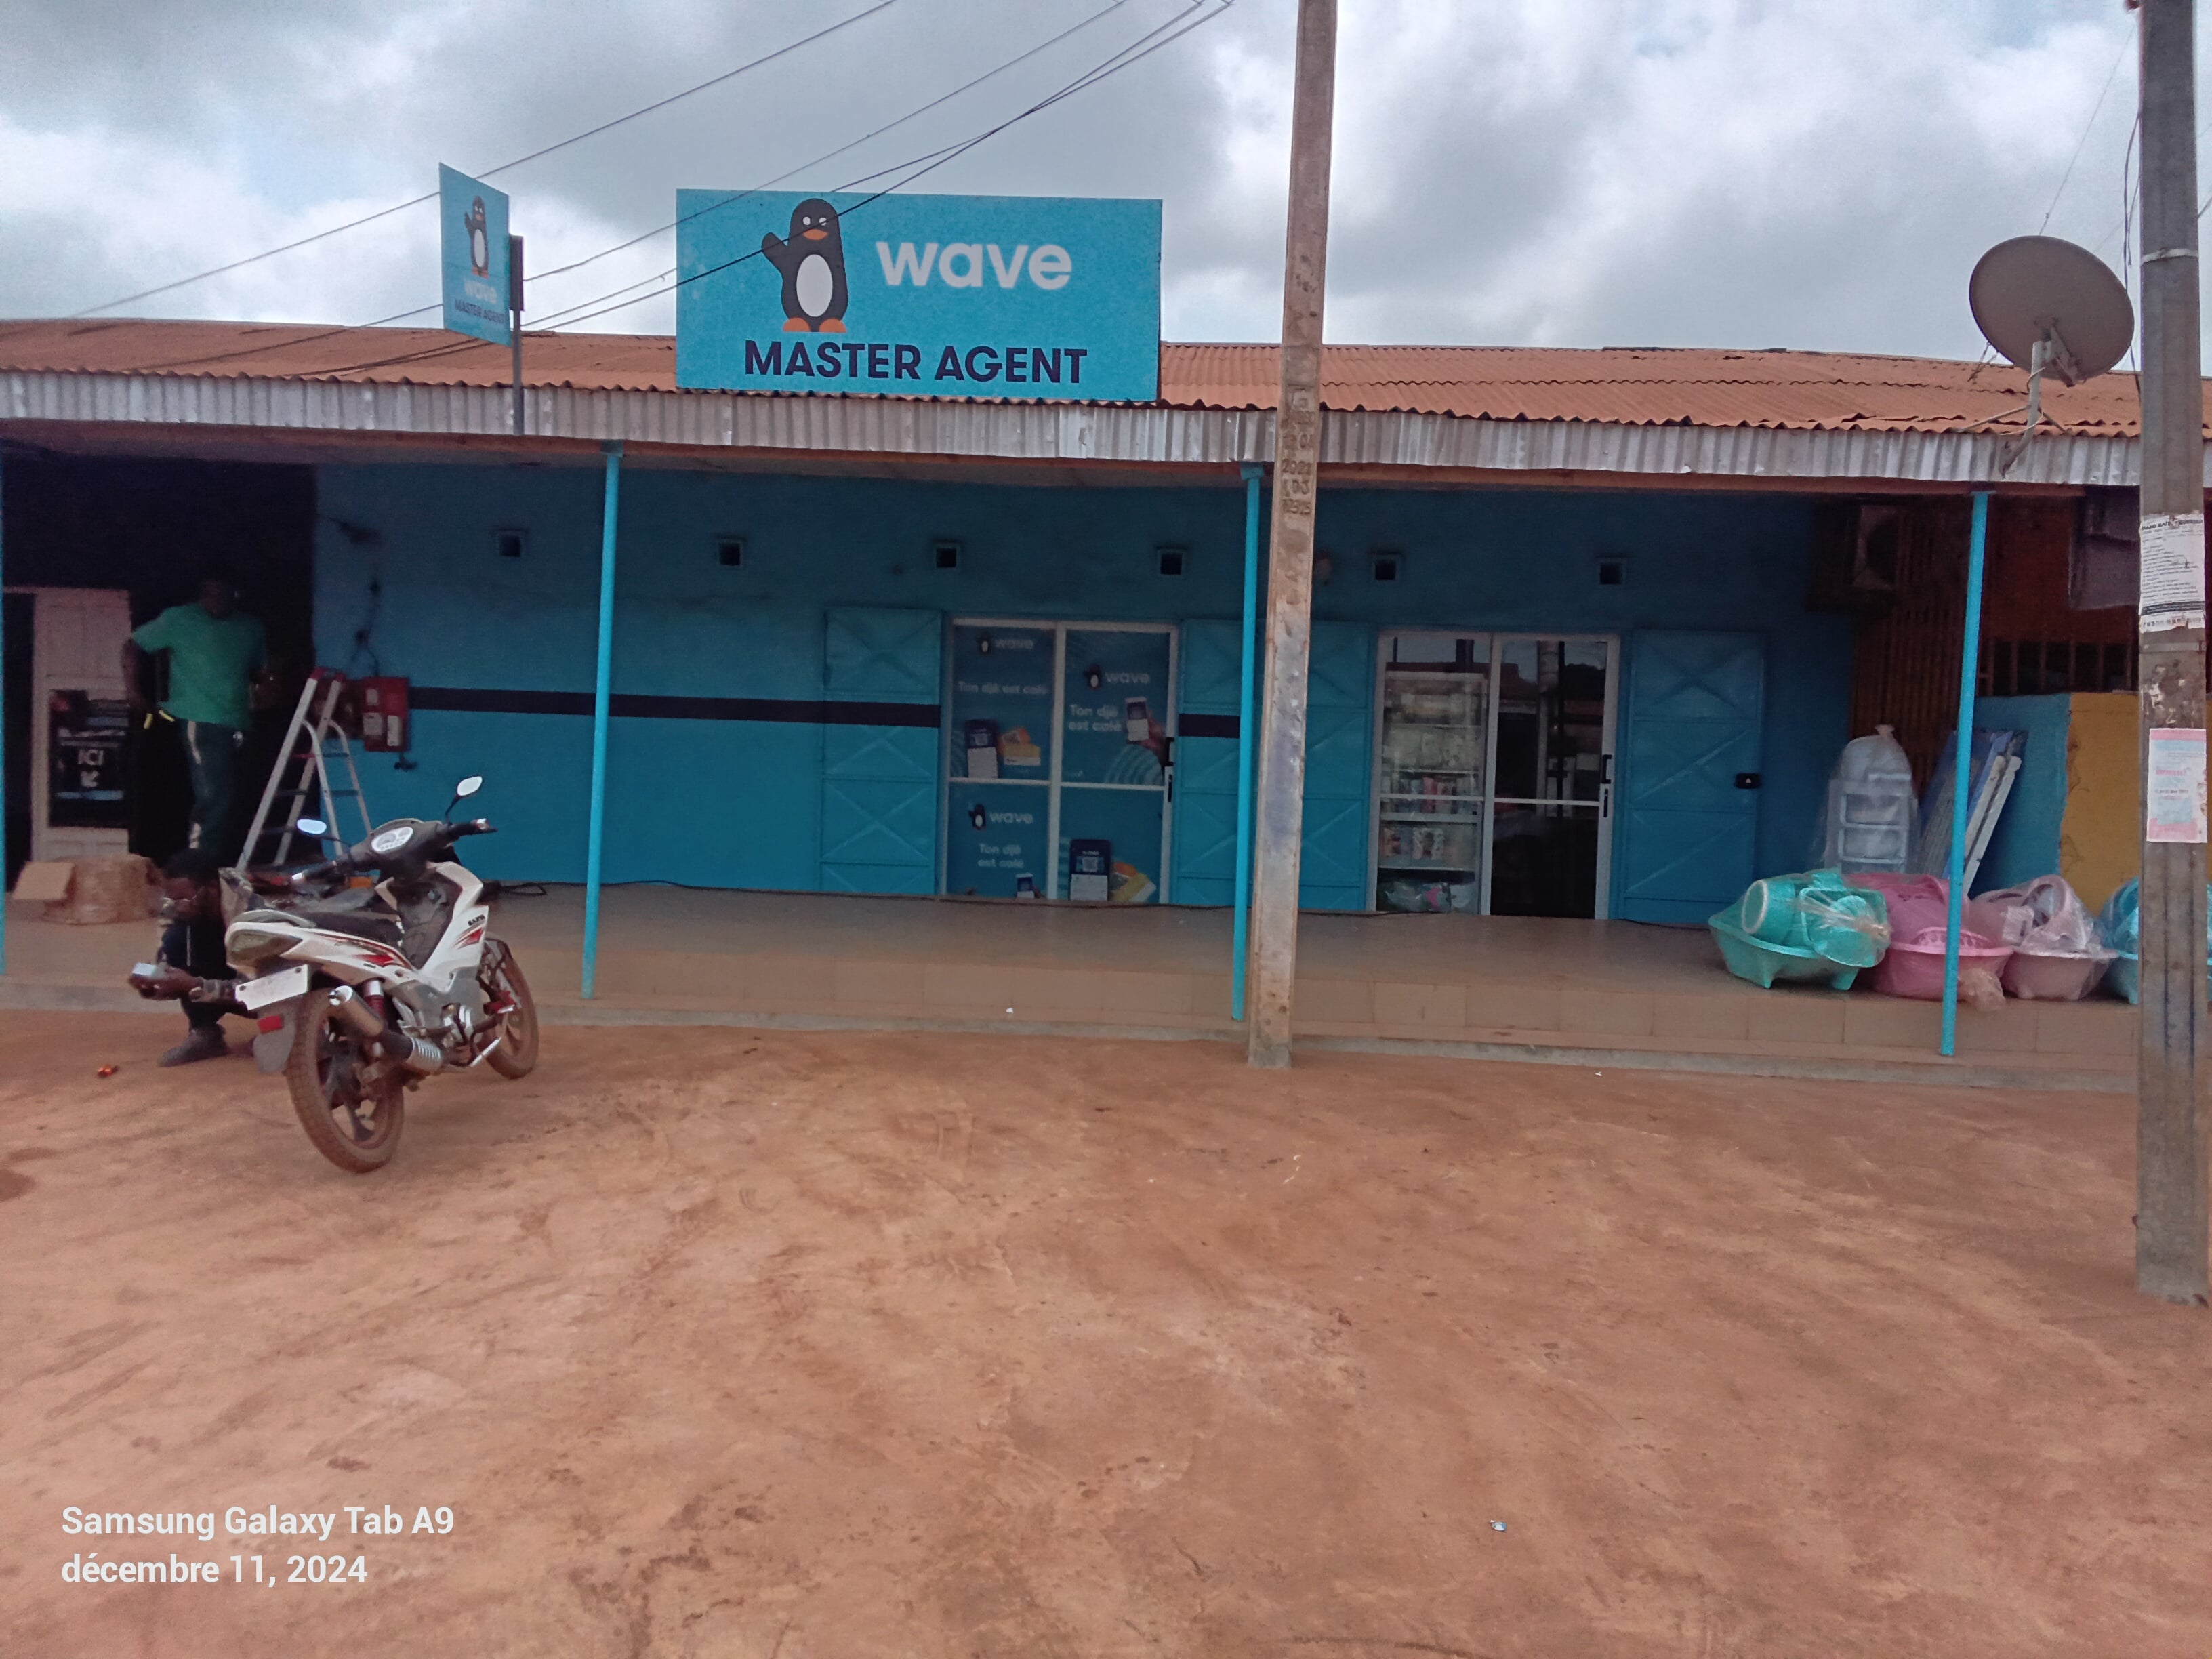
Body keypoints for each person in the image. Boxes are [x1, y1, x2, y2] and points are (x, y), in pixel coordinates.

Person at [123, 571, 268, 859]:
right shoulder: (179, 618)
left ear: (234, 595)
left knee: (234, 796)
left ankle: (227, 859)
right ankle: (197, 860)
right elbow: (132, 646)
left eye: (222, 594)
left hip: (240, 720)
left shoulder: (251, 627)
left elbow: (260, 673)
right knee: (211, 794)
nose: (215, 601)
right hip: (197, 718)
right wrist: (134, 693)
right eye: (208, 594)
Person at [127, 848, 245, 1067]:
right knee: (177, 938)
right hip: (223, 980)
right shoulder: (177, 908)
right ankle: (204, 1031)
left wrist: (195, 985)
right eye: (173, 899)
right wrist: (156, 983)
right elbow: (167, 958)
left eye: (184, 898)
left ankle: (292, 1032)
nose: (178, 905)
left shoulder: (249, 913)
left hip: (265, 990)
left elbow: (261, 987)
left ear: (212, 888)